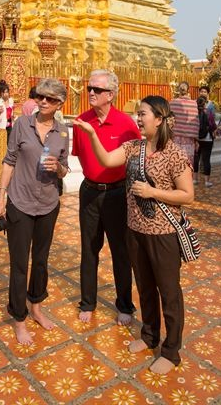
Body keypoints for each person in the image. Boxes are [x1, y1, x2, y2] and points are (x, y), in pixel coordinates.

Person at [74, 95, 194, 375]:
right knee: (145, 287)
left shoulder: (174, 153)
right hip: (135, 230)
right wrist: (92, 134)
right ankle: (149, 335)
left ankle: (171, 350)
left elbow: (188, 195)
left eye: (143, 114)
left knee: (169, 292)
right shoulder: (133, 148)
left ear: (160, 119)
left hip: (163, 234)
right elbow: (105, 158)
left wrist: (153, 192)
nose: (138, 119)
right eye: (138, 114)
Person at [0, 78, 69, 345]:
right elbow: (9, 160)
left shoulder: (62, 132)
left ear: (60, 103)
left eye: (49, 98)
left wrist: (58, 169)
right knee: (19, 264)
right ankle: (19, 318)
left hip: (48, 204)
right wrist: (0, 199)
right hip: (20, 202)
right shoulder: (22, 125)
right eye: (39, 96)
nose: (43, 101)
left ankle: (36, 307)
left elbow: (64, 166)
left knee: (40, 260)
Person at [72, 69, 140, 326]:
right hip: (89, 191)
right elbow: (79, 154)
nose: (90, 93)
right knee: (89, 249)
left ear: (110, 95)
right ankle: (87, 301)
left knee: (121, 252)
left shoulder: (126, 125)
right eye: (90, 88)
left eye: (97, 90)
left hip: (117, 194)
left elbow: (133, 162)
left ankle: (124, 304)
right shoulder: (81, 121)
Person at [169, 81, 199, 164]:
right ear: (188, 90)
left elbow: (169, 121)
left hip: (175, 138)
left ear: (178, 90)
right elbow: (195, 123)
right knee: (188, 162)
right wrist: (197, 140)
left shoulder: (172, 103)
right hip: (189, 139)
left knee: (175, 162)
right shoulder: (194, 104)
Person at [193, 95, 216, 187]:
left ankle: (195, 179)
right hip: (207, 139)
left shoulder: (194, 114)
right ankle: (207, 181)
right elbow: (213, 125)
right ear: (205, 103)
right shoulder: (209, 113)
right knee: (206, 160)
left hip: (197, 139)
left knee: (196, 159)